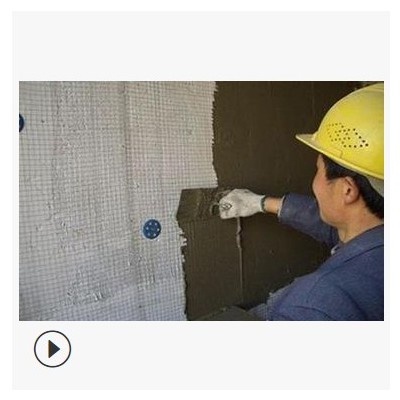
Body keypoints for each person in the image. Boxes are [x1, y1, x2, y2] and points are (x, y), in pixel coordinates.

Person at [218, 83, 384, 321]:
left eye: (317, 170)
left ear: (348, 190)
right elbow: (339, 226)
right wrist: (262, 203)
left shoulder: (313, 305)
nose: (314, 182)